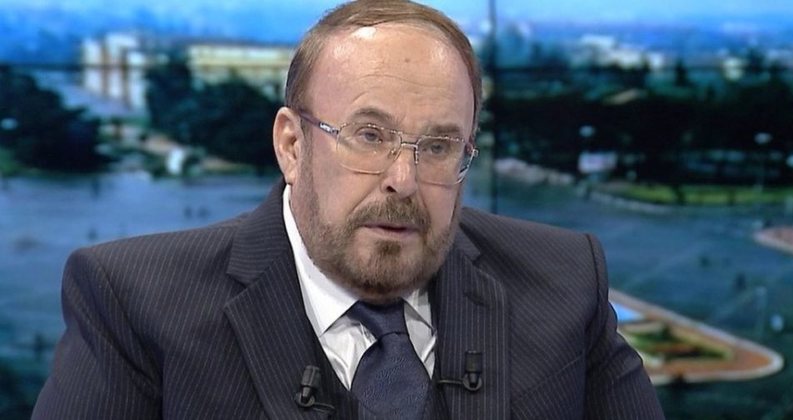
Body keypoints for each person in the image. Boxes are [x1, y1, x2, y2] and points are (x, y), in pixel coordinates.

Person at [33, 1, 664, 418]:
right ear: (292, 145)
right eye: (369, 135)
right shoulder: (131, 303)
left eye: (438, 146)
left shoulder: (565, 281)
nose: (403, 181)